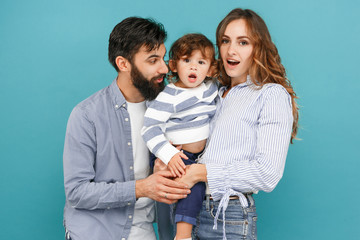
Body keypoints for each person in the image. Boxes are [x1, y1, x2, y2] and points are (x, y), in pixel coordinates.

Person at [175, 8, 299, 240]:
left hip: (227, 216)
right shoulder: (211, 92)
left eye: (243, 42)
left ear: (258, 48)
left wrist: (202, 173)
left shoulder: (270, 94)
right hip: (184, 211)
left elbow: (267, 173)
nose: (231, 50)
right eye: (225, 41)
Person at [62, 17, 191, 240]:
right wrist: (141, 188)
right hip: (96, 232)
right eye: (152, 60)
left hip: (147, 231)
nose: (164, 67)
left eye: (163, 57)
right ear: (123, 64)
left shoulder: (171, 106)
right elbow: (77, 192)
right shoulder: (86, 115)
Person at [141, 34, 218, 240]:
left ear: (211, 69)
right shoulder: (169, 96)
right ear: (174, 65)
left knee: (198, 186)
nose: (194, 68)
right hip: (179, 155)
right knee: (191, 188)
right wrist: (169, 154)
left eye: (201, 62)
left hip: (202, 156)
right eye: (187, 61)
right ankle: (182, 236)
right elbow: (149, 128)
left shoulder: (211, 87)